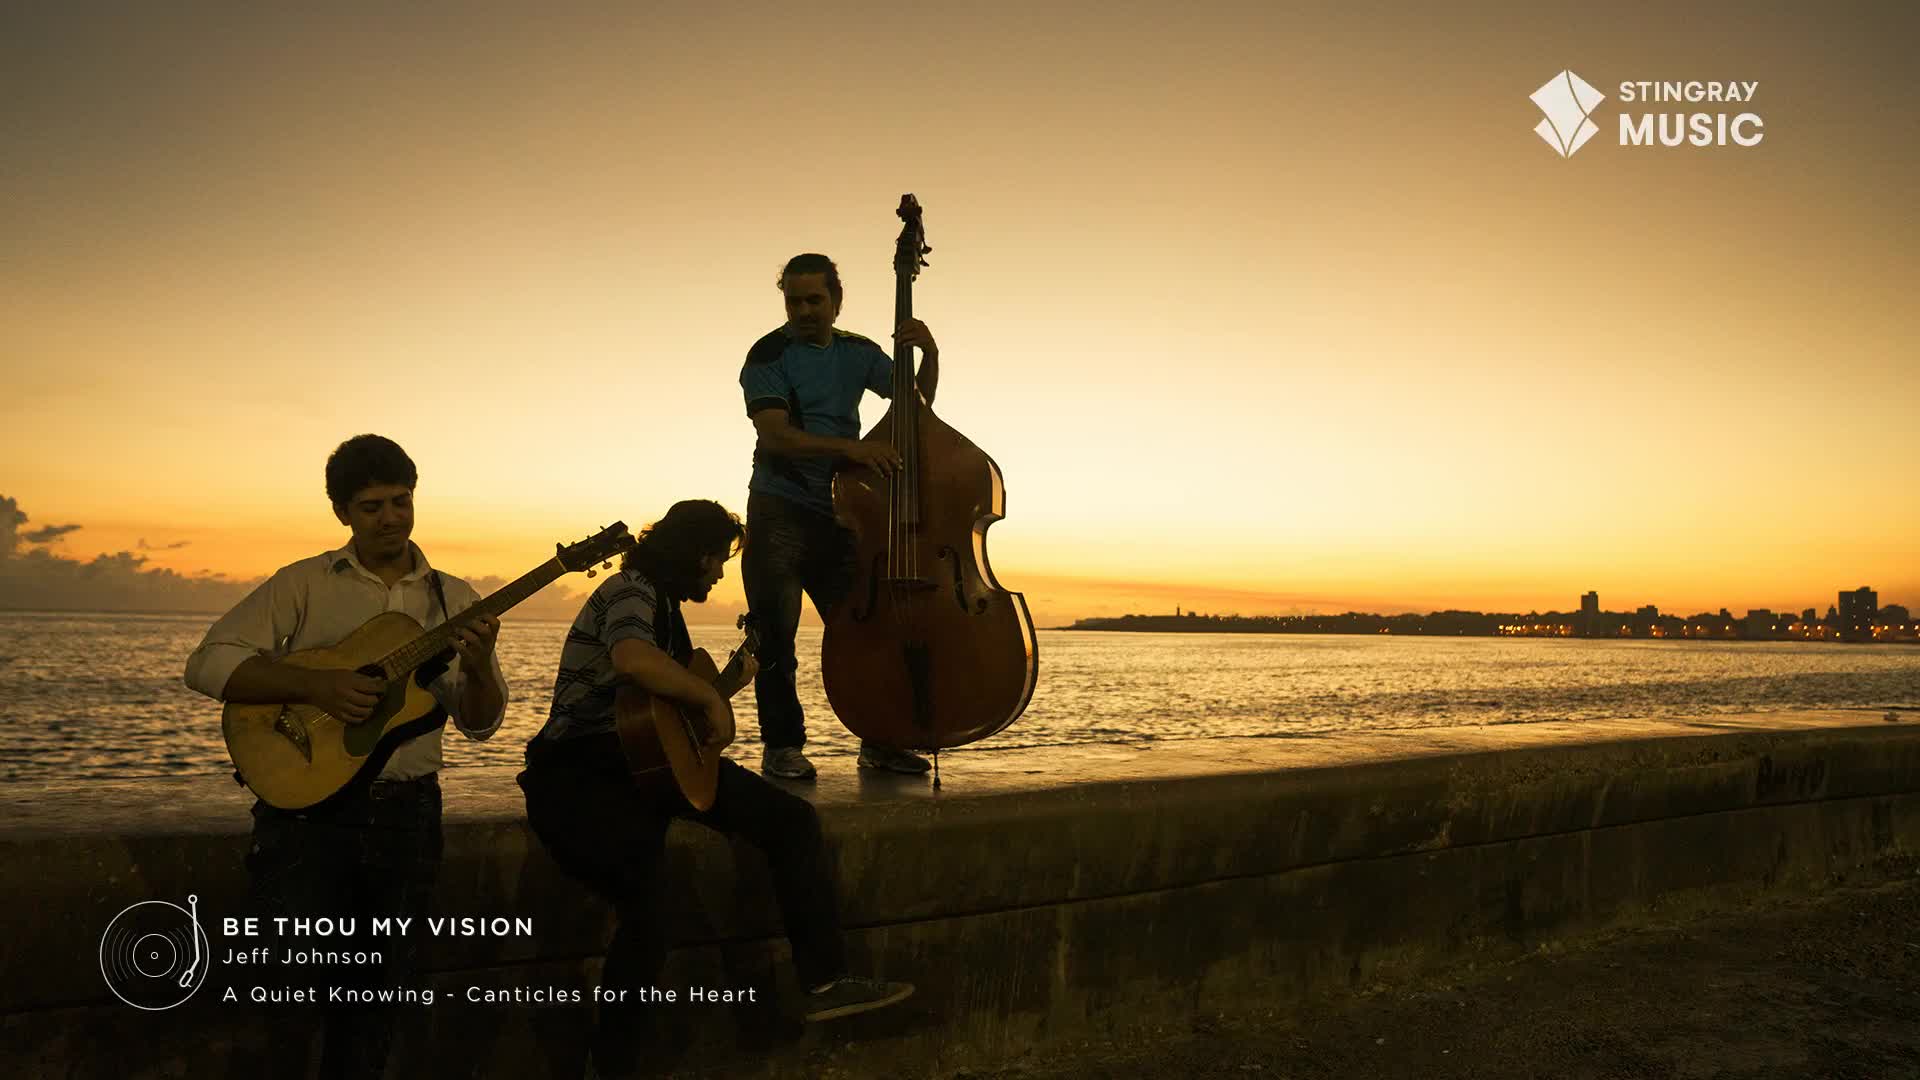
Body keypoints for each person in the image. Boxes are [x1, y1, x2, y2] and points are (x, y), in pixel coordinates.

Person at [518, 499, 913, 1078]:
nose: (720, 574)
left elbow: (661, 719)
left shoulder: (669, 612)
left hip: (644, 764)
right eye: (717, 561)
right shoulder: (632, 589)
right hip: (582, 771)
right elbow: (631, 660)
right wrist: (706, 697)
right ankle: (610, 1066)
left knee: (792, 822)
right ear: (694, 555)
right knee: (650, 917)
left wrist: (726, 683)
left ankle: (825, 980)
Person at [184, 433, 508, 1079]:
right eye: (371, 506)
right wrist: (316, 684)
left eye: (401, 500)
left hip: (408, 818)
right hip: (307, 822)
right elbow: (207, 664)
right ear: (343, 513)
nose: (391, 517)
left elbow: (480, 724)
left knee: (380, 1002)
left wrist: (477, 668)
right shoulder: (304, 583)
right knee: (291, 998)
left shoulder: (454, 597)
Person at [739, 252, 941, 779]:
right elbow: (776, 435)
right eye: (794, 300)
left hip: (840, 513)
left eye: (814, 299)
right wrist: (850, 451)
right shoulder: (768, 354)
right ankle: (782, 747)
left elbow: (914, 409)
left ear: (836, 300)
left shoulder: (859, 353)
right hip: (778, 508)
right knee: (776, 638)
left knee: (866, 635)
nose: (804, 310)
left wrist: (931, 355)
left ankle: (881, 741)